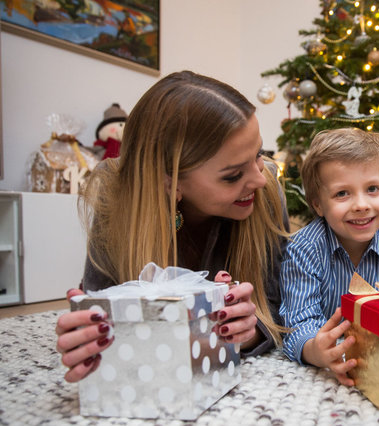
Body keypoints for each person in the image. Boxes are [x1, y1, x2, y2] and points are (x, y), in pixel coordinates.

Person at [55, 71, 289, 383]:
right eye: (232, 175)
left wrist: (248, 331)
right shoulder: (118, 196)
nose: (260, 178)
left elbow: (282, 303)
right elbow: (101, 304)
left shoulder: (267, 188)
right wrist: (88, 336)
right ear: (170, 182)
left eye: (258, 153)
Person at [279, 128, 379, 385]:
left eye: (372, 189)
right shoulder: (305, 248)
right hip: (330, 365)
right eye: (342, 193)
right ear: (318, 204)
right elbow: (298, 323)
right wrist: (316, 350)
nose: (361, 205)